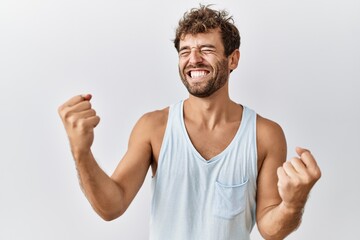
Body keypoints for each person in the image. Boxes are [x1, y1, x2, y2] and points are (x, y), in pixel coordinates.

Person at [58, 5, 321, 240]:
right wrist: (81, 152)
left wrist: (292, 204)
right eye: (185, 51)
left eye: (206, 49)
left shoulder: (265, 134)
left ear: (233, 59)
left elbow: (270, 229)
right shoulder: (154, 127)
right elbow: (111, 206)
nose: (193, 59)